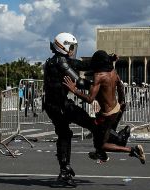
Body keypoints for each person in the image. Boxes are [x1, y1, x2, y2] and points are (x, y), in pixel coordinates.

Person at [63, 50, 146, 165]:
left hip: (107, 114)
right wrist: (122, 101)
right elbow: (120, 86)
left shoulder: (99, 76)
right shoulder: (113, 71)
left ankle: (132, 149)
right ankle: (102, 153)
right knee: (98, 133)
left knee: (102, 143)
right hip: (116, 108)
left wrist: (74, 90)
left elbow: (90, 99)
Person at [43, 32, 100, 187]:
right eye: (71, 46)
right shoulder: (60, 62)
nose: (73, 49)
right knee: (77, 128)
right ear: (63, 45)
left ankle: (65, 168)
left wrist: (104, 60)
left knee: (66, 134)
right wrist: (97, 86)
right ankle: (64, 170)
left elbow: (82, 65)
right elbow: (79, 81)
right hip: (58, 106)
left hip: (57, 104)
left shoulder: (58, 60)